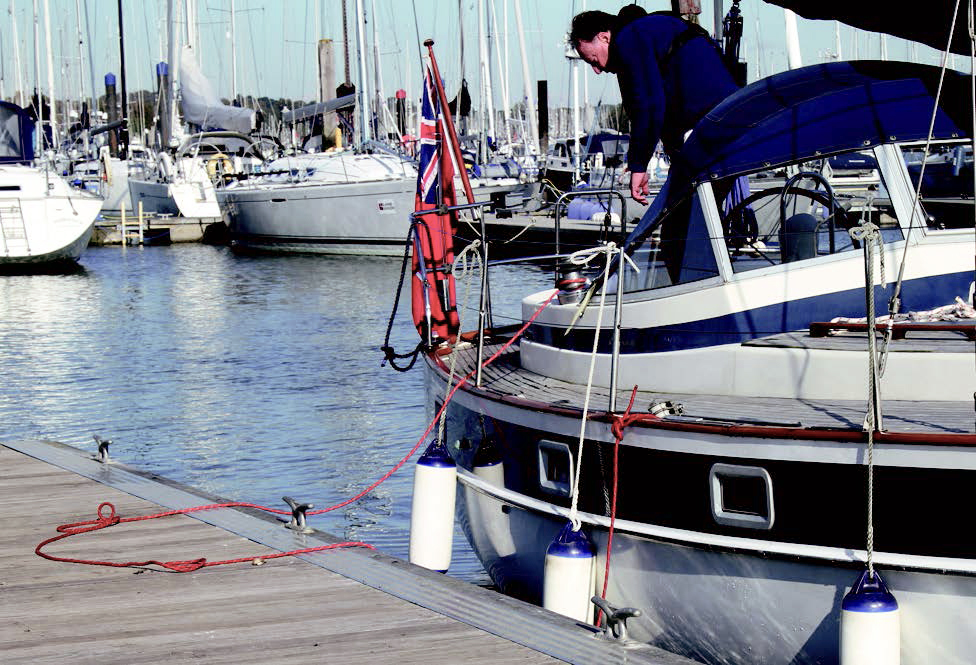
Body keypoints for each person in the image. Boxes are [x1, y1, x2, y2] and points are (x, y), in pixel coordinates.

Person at [570, 6, 739, 204]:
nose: (597, 70)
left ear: (604, 37)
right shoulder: (650, 29)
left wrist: (639, 166)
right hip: (729, 110)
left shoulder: (629, 40)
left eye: (593, 59)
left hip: (709, 121)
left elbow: (648, 106)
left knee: (681, 214)